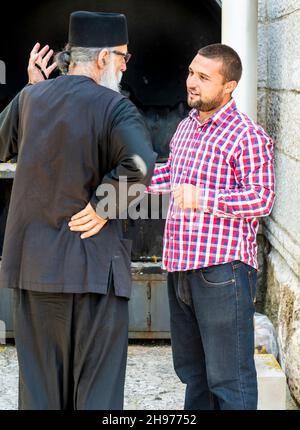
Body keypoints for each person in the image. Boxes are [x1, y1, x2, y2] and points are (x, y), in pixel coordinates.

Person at [0, 11, 156, 410]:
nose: (124, 64)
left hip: (35, 271)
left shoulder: (30, 99)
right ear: (103, 58)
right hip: (93, 271)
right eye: (122, 56)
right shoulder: (115, 107)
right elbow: (140, 164)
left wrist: (30, 92)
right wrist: (104, 206)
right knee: (97, 395)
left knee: (40, 395)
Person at [148, 43, 275, 410]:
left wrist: (204, 198)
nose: (192, 82)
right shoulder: (187, 126)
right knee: (193, 375)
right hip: (181, 269)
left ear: (229, 86)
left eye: (204, 77)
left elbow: (261, 199)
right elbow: (172, 175)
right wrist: (127, 177)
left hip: (223, 273)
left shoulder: (246, 135)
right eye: (191, 72)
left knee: (229, 381)